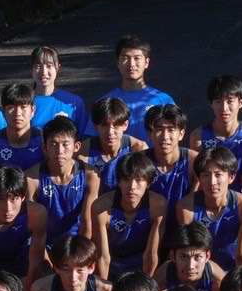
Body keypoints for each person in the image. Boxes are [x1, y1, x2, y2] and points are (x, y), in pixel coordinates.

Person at [177, 145, 242, 270]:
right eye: (206, 175)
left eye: (218, 174)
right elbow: (190, 250)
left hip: (233, 271)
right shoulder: (185, 207)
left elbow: (241, 253)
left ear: (231, 177)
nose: (212, 182)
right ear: (199, 178)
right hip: (200, 271)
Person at [91, 151, 166, 280]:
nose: (132, 187)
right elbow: (103, 256)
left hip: (140, 267)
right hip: (112, 266)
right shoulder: (101, 207)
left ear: (148, 183)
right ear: (119, 182)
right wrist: (104, 288)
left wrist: (145, 287)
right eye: (126, 179)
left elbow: (151, 255)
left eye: (139, 180)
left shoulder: (158, 205)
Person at [29, 115, 97, 243]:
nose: (60, 151)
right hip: (44, 244)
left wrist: (76, 256)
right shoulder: (31, 179)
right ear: (45, 147)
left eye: (65, 145)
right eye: (54, 144)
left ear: (76, 146)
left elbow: (86, 223)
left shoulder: (90, 175)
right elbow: (32, 228)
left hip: (77, 243)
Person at [98, 34, 174, 146]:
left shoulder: (164, 100)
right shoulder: (104, 102)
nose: (131, 64)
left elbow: (174, 138)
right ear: (117, 62)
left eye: (137, 58)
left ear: (147, 62)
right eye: (125, 58)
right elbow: (92, 142)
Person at [187, 74, 242, 187]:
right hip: (209, 199)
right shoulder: (198, 136)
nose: (224, 108)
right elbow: (197, 179)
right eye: (218, 101)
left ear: (241, 103)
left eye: (230, 101)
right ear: (211, 103)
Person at [159, 223, 226, 291]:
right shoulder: (164, 274)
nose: (190, 266)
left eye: (197, 257)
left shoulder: (217, 277)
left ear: (207, 256)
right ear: (173, 256)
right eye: (184, 257)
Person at [142, 103, 194, 231]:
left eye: (171, 129)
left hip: (185, 232)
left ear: (181, 134)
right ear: (150, 133)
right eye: (159, 129)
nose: (165, 137)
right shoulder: (140, 162)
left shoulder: (195, 162)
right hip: (147, 232)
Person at [82, 96, 148, 192]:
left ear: (125, 125)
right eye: (104, 125)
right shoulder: (83, 151)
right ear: (95, 126)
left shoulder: (139, 149)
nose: (110, 132)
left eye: (116, 125)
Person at [28, 44, 92, 136]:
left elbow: (84, 139)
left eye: (49, 66)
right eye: (38, 66)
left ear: (58, 68)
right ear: (31, 69)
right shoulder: (23, 103)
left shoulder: (74, 102)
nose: (43, 72)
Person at [0, 82, 43, 172]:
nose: (17, 113)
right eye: (11, 108)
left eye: (23, 107)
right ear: (3, 111)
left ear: (33, 111)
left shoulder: (44, 141)